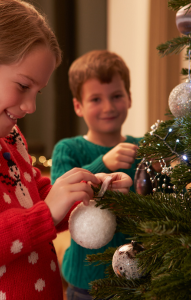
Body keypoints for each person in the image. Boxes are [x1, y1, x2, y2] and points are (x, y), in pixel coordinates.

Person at [0, 1, 132, 299]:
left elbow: (41, 202)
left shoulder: (10, 136)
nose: (30, 106)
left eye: (37, 92)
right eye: (23, 86)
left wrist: (92, 192)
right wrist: (46, 214)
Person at [51, 50, 142, 299]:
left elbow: (162, 205)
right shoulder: (67, 149)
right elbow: (60, 200)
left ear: (130, 98)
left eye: (116, 96)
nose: (109, 107)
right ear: (78, 106)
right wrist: (102, 163)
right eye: (96, 99)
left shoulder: (143, 148)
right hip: (86, 284)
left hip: (140, 279)